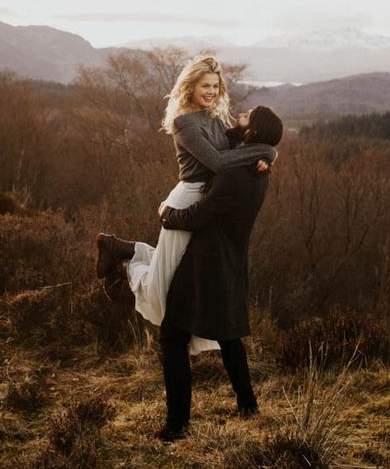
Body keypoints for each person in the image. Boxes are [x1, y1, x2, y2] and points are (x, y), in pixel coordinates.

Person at [95, 55, 277, 354]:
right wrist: (267, 150)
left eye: (216, 86)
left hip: (206, 202)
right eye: (205, 85)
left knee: (180, 270)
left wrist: (263, 156)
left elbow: (239, 146)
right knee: (162, 285)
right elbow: (218, 162)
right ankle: (126, 268)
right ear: (190, 87)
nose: (211, 92)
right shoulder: (184, 123)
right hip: (188, 198)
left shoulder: (215, 119)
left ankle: (120, 247)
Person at [155, 105, 284, 441]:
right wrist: (269, 152)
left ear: (252, 132)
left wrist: (166, 213)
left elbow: (201, 214)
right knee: (228, 336)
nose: (238, 119)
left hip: (206, 261)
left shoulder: (236, 172)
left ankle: (177, 424)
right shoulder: (257, 169)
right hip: (231, 260)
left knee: (173, 335)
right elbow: (223, 143)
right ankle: (248, 406)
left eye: (245, 118)